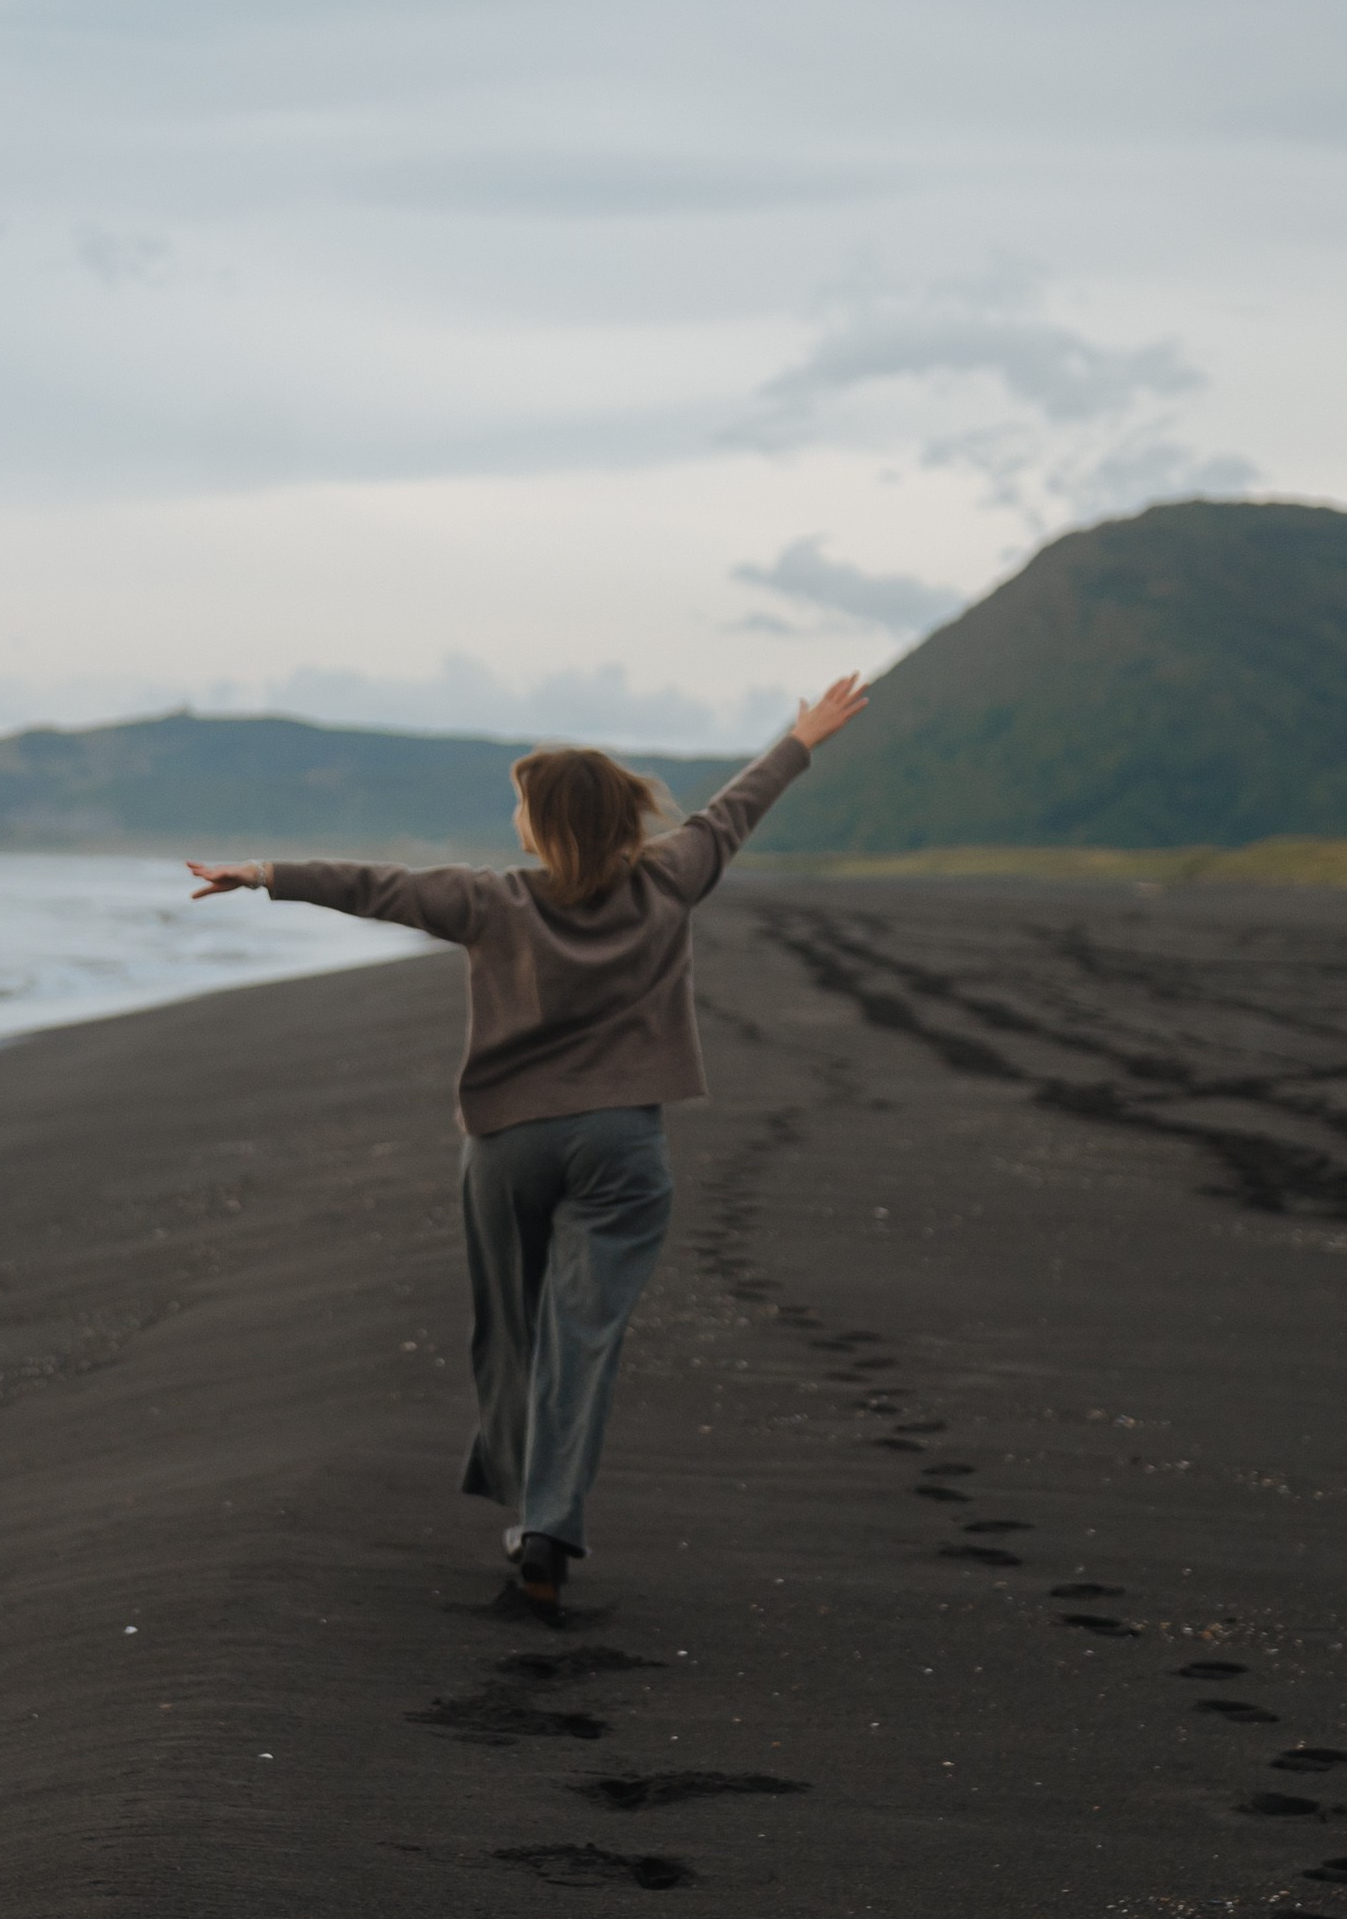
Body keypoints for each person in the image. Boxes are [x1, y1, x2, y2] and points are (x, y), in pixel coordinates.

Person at [187, 679, 869, 1617]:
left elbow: (372, 887)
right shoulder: (669, 877)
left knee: (510, 1333)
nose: (510, 815)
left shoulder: (489, 900)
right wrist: (799, 738)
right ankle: (547, 1525)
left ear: (543, 822)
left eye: (518, 802)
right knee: (580, 1340)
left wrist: (263, 871)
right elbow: (733, 809)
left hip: (509, 1141)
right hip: (624, 1145)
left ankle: (524, 1501)